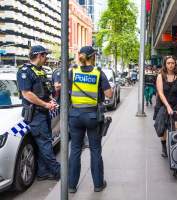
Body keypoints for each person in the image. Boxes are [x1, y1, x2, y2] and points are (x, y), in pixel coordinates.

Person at [68, 46, 113, 193]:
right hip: (92, 116)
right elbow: (110, 94)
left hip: (75, 115)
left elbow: (66, 90)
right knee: (95, 150)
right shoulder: (98, 72)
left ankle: (71, 186)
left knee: (75, 149)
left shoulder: (72, 71)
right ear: (93, 57)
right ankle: (98, 184)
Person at [16, 45, 60, 181]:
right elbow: (27, 94)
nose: (46, 58)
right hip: (36, 114)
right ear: (39, 55)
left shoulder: (40, 71)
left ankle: (42, 173)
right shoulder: (25, 71)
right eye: (45, 55)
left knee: (43, 144)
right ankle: (59, 171)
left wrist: (51, 100)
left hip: (44, 112)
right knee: (45, 144)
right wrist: (46, 104)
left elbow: (43, 92)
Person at [155, 55, 177, 157]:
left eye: (172, 63)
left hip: (176, 103)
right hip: (163, 104)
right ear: (165, 64)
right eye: (168, 63)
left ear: (175, 64)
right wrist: (167, 107)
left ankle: (176, 147)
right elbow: (160, 93)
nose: (171, 65)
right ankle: (164, 147)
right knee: (163, 127)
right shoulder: (160, 76)